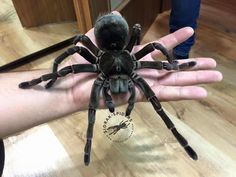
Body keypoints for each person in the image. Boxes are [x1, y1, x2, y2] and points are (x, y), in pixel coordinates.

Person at [0, 25, 222, 139]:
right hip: (107, 53)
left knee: (153, 53)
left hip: (113, 54)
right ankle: (42, 82)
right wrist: (47, 80)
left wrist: (175, 64)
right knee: (75, 52)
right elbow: (77, 46)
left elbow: (156, 48)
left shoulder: (128, 67)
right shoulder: (100, 62)